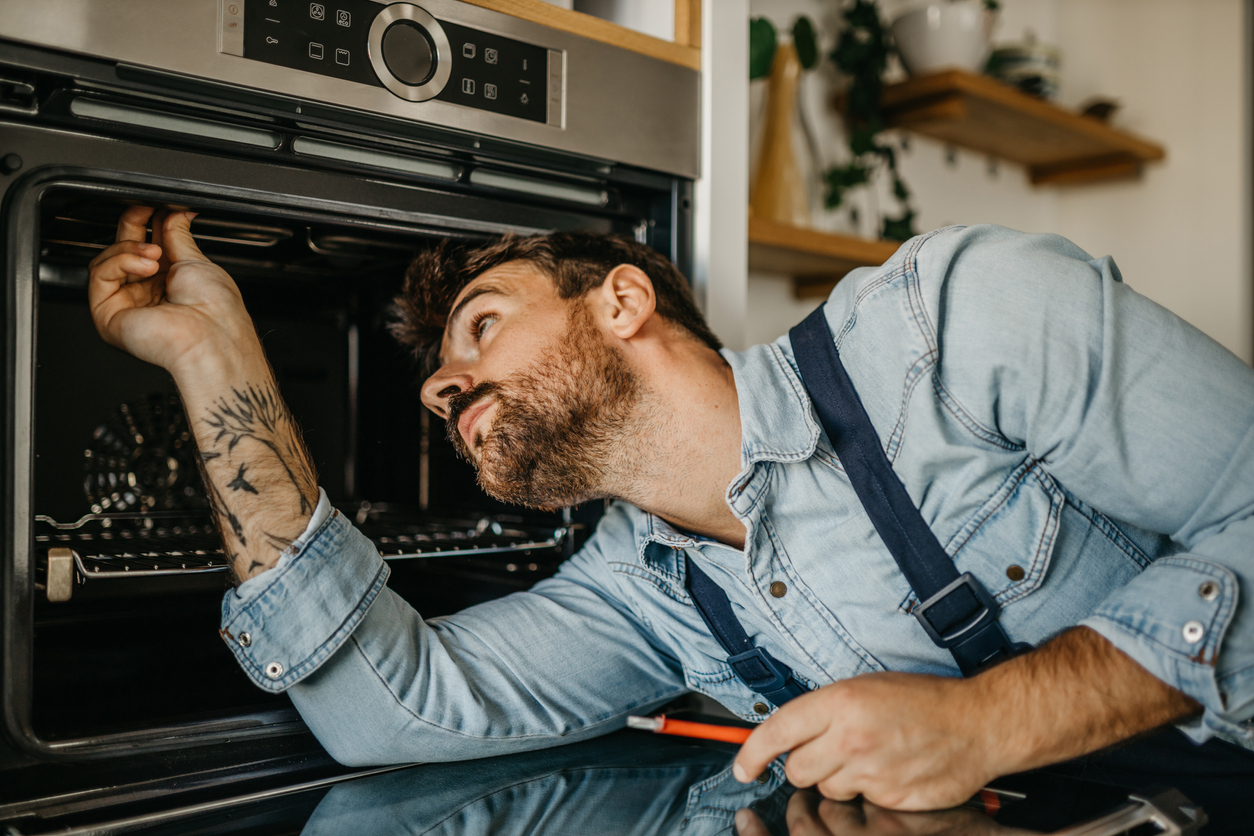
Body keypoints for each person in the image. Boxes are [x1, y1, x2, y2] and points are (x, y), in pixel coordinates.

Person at [87, 205, 1254, 811]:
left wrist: (987, 721)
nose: (447, 390)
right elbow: (385, 712)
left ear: (624, 301)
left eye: (482, 325)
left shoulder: (956, 322)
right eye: (441, 394)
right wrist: (210, 352)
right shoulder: (640, 596)